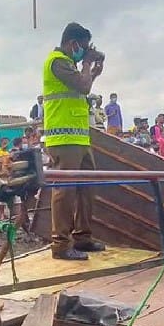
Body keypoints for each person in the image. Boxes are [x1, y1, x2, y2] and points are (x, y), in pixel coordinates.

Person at [43, 22, 105, 260]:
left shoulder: (68, 64)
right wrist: (88, 64)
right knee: (65, 191)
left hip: (78, 137)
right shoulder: (57, 62)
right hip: (63, 137)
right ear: (73, 44)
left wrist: (92, 69)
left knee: (87, 188)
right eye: (84, 48)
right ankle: (60, 245)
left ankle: (82, 237)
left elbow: (84, 86)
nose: (84, 53)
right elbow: (82, 86)